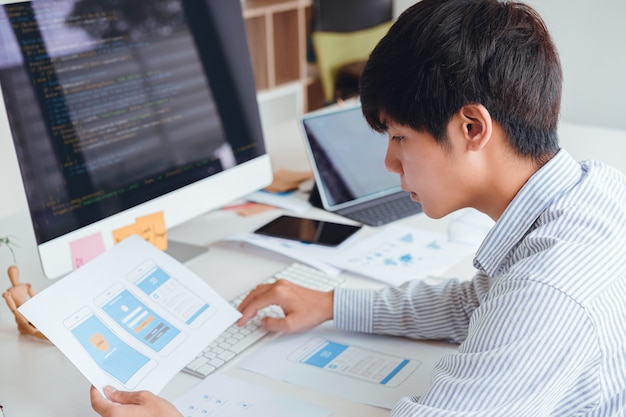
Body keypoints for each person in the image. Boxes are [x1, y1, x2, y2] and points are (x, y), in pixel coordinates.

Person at [90, 0, 626, 416]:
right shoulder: (592, 191)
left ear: (472, 128)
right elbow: (479, 307)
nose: (390, 163)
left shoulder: (548, 291)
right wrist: (331, 305)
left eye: (399, 137)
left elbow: (521, 308)